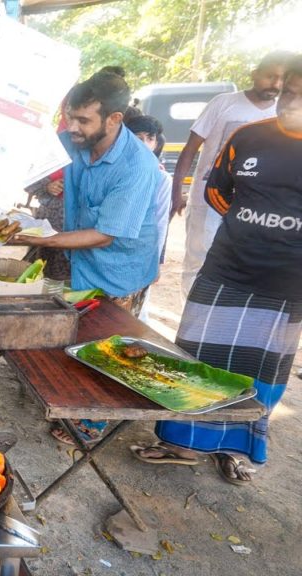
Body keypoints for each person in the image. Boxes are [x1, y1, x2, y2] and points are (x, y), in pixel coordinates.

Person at [131, 54, 302, 486]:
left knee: (258, 371)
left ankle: (232, 450)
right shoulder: (249, 136)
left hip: (285, 284)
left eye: (300, 95)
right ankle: (182, 442)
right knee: (197, 356)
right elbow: (218, 190)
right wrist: (251, 226)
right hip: (226, 268)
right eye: (288, 92)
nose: (288, 102)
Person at [12, 71, 163, 316]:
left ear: (114, 119)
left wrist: (41, 239)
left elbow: (104, 236)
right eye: (69, 117)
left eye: (83, 120)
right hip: (79, 266)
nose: (72, 127)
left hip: (118, 277)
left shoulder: (137, 166)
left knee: (102, 347)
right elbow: (23, 158)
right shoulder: (70, 140)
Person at [174, 51, 291, 300]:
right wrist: (177, 193)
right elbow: (190, 150)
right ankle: (191, 317)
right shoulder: (223, 103)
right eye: (270, 76)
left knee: (236, 263)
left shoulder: (282, 116)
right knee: (198, 260)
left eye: (282, 79)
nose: (276, 85)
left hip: (249, 207)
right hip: (207, 199)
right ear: (254, 75)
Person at [123, 114, 173, 322]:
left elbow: (160, 224)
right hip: (108, 249)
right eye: (138, 136)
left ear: (156, 142)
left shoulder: (161, 178)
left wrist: (154, 263)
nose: (144, 143)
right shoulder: (113, 170)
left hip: (140, 253)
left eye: (149, 138)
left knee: (135, 313)